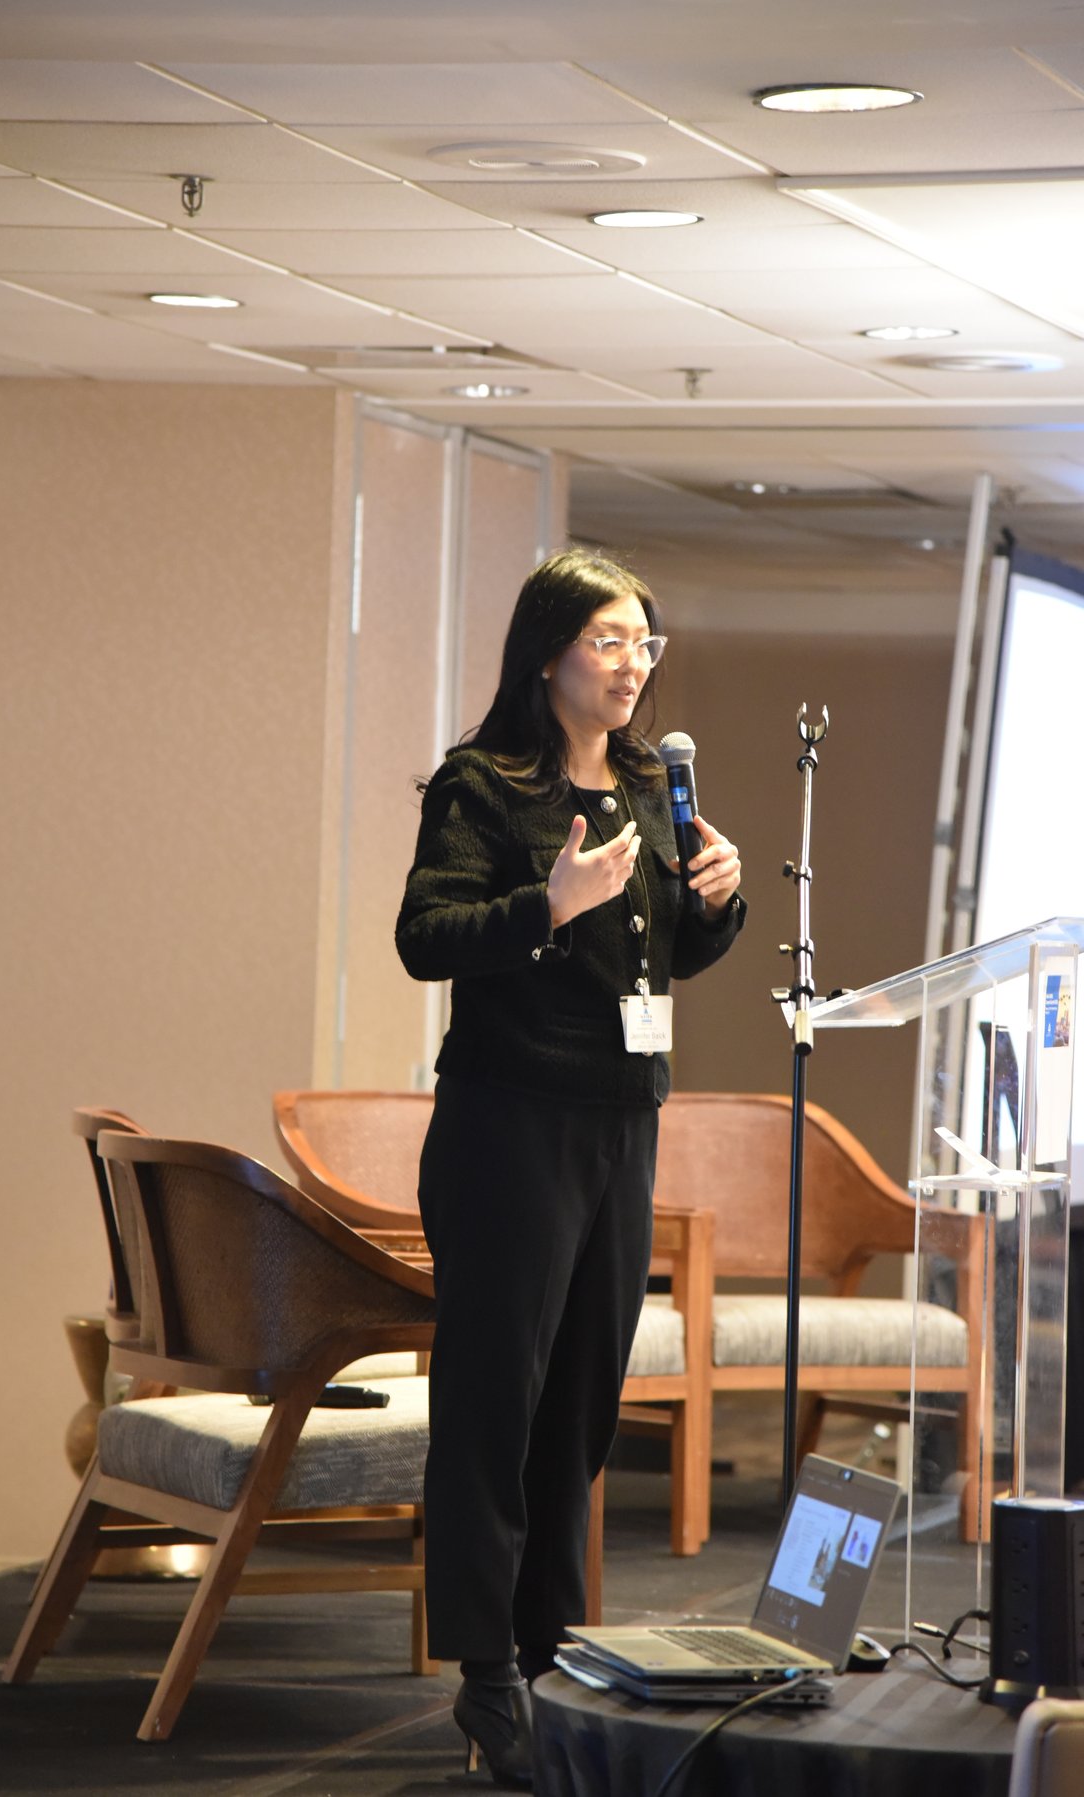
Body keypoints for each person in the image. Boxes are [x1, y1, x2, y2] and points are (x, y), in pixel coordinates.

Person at [395, 548, 745, 1788]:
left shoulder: (651, 781)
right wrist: (544, 905)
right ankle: (487, 1665)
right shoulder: (483, 785)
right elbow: (424, 938)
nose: (633, 663)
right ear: (547, 653)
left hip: (618, 1124)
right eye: (610, 640)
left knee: (584, 1401)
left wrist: (717, 899)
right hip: (509, 1128)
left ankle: (551, 1649)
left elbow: (666, 956)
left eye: (645, 642)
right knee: (496, 1401)